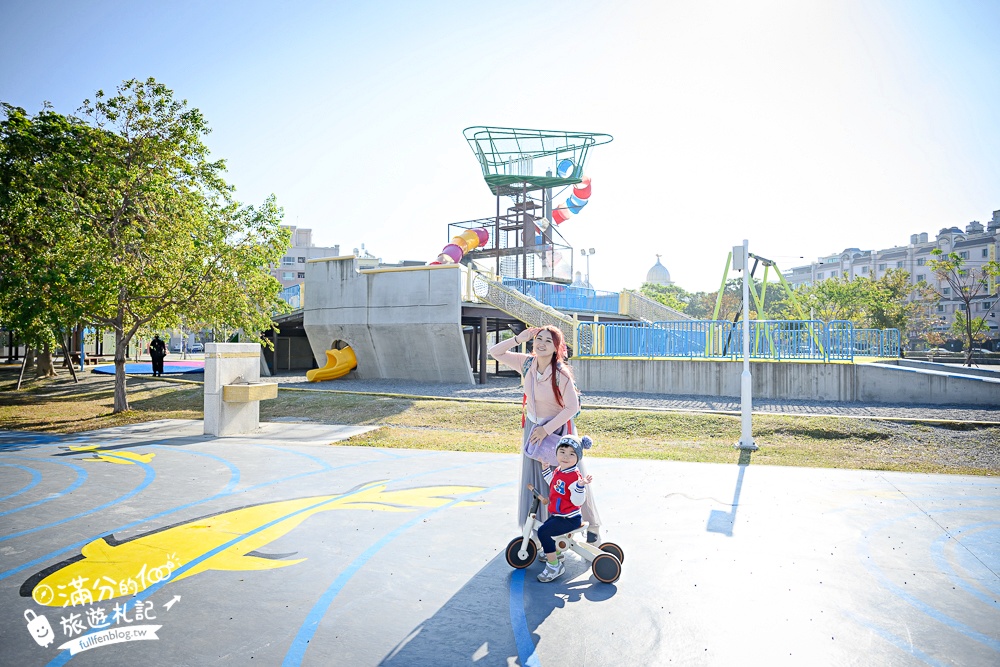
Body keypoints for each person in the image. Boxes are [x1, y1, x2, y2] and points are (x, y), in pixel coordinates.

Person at [488, 325, 602, 543]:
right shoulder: (527, 363)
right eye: (538, 338)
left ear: (556, 347)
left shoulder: (561, 374)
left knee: (571, 480)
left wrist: (545, 430)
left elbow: (572, 407)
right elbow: (496, 352)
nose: (541, 343)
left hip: (558, 431)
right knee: (537, 480)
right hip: (534, 429)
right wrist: (518, 338)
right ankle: (542, 532)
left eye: (548, 341)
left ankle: (593, 527)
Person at [529, 435, 593, 582]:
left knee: (544, 532)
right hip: (560, 515)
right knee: (547, 528)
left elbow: (578, 500)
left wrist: (580, 486)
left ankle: (554, 566)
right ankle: (555, 552)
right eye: (562, 452)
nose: (566, 456)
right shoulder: (560, 470)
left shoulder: (574, 476)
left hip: (570, 519)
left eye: (572, 454)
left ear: (578, 458)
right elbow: (554, 484)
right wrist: (546, 470)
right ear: (557, 453)